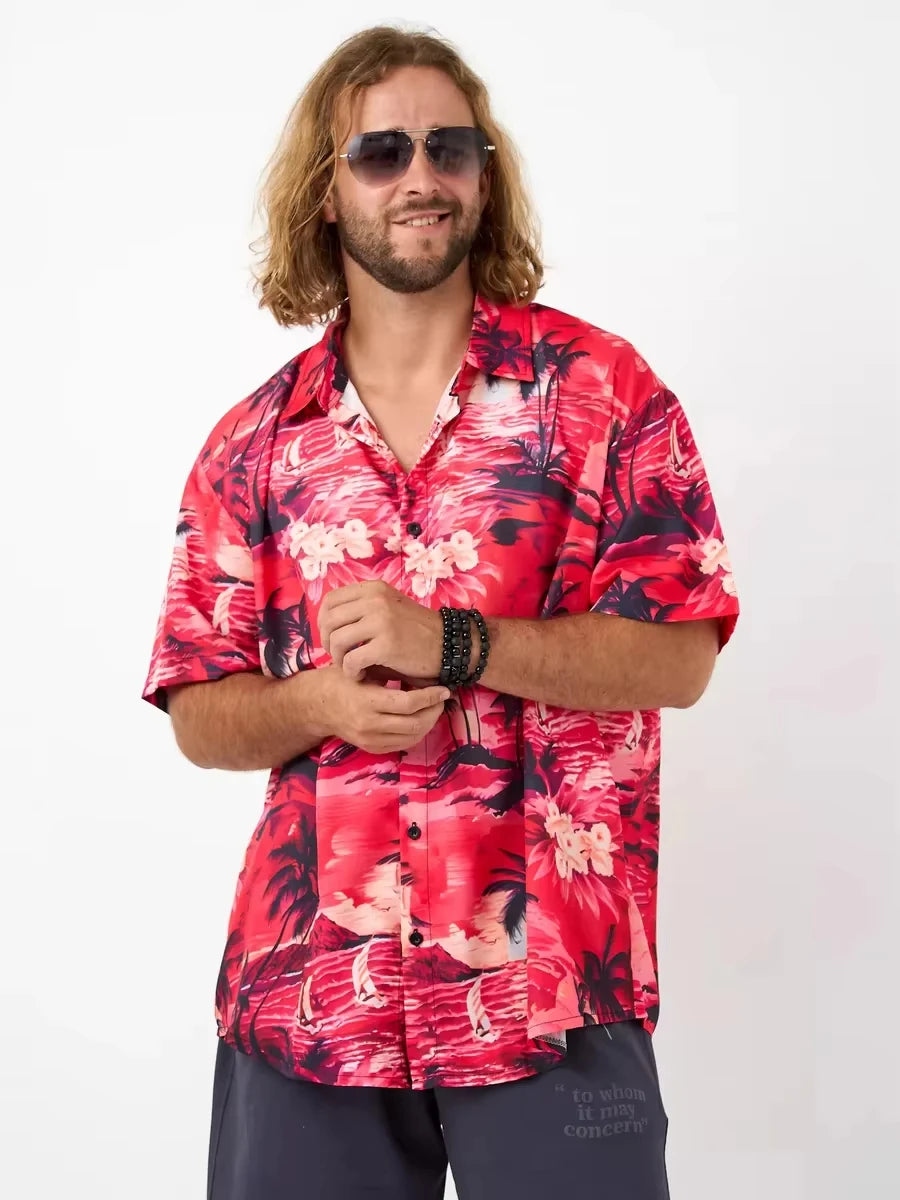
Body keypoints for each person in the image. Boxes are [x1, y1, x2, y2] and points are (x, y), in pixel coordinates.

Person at [141, 23, 739, 1200]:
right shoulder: (254, 442)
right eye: (383, 152)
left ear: (484, 174)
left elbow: (682, 655)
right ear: (327, 192)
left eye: (450, 147)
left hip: (555, 993)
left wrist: (458, 642)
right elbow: (198, 712)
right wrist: (315, 703)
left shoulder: (603, 394)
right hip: (311, 997)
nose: (421, 176)